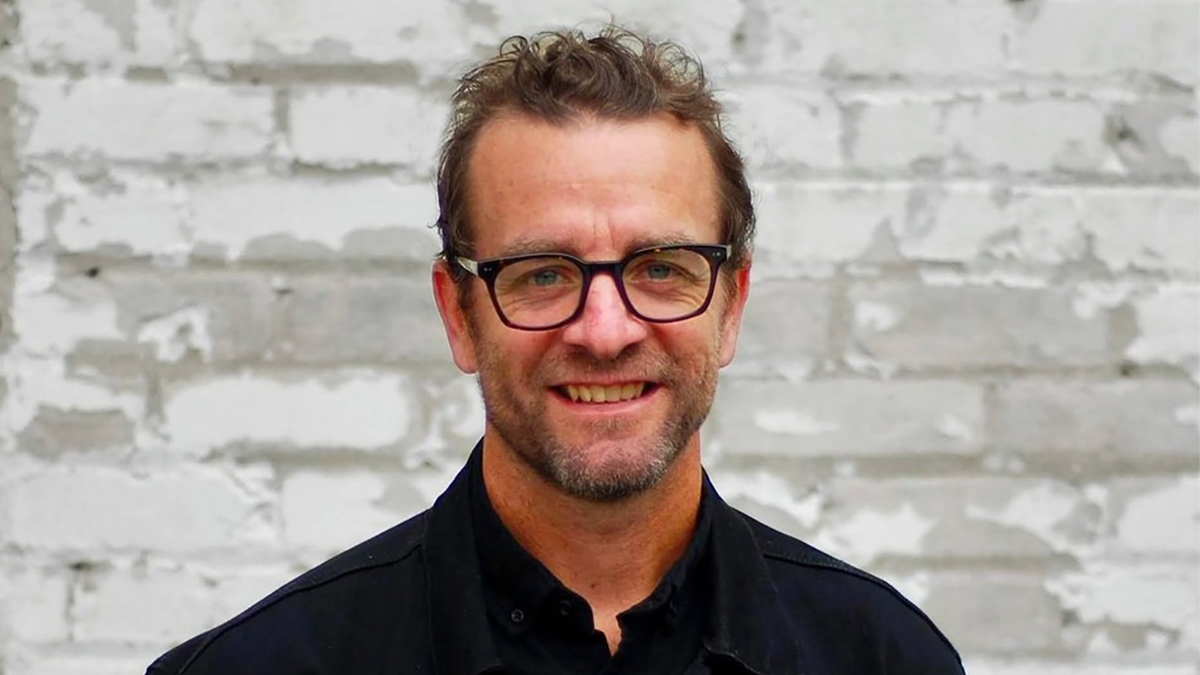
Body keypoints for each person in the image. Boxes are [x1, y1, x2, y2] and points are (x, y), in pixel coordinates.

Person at [147, 26, 964, 675]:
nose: (605, 331)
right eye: (542, 274)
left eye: (660, 268)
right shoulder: (263, 665)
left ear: (731, 304)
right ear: (459, 313)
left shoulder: (884, 657)